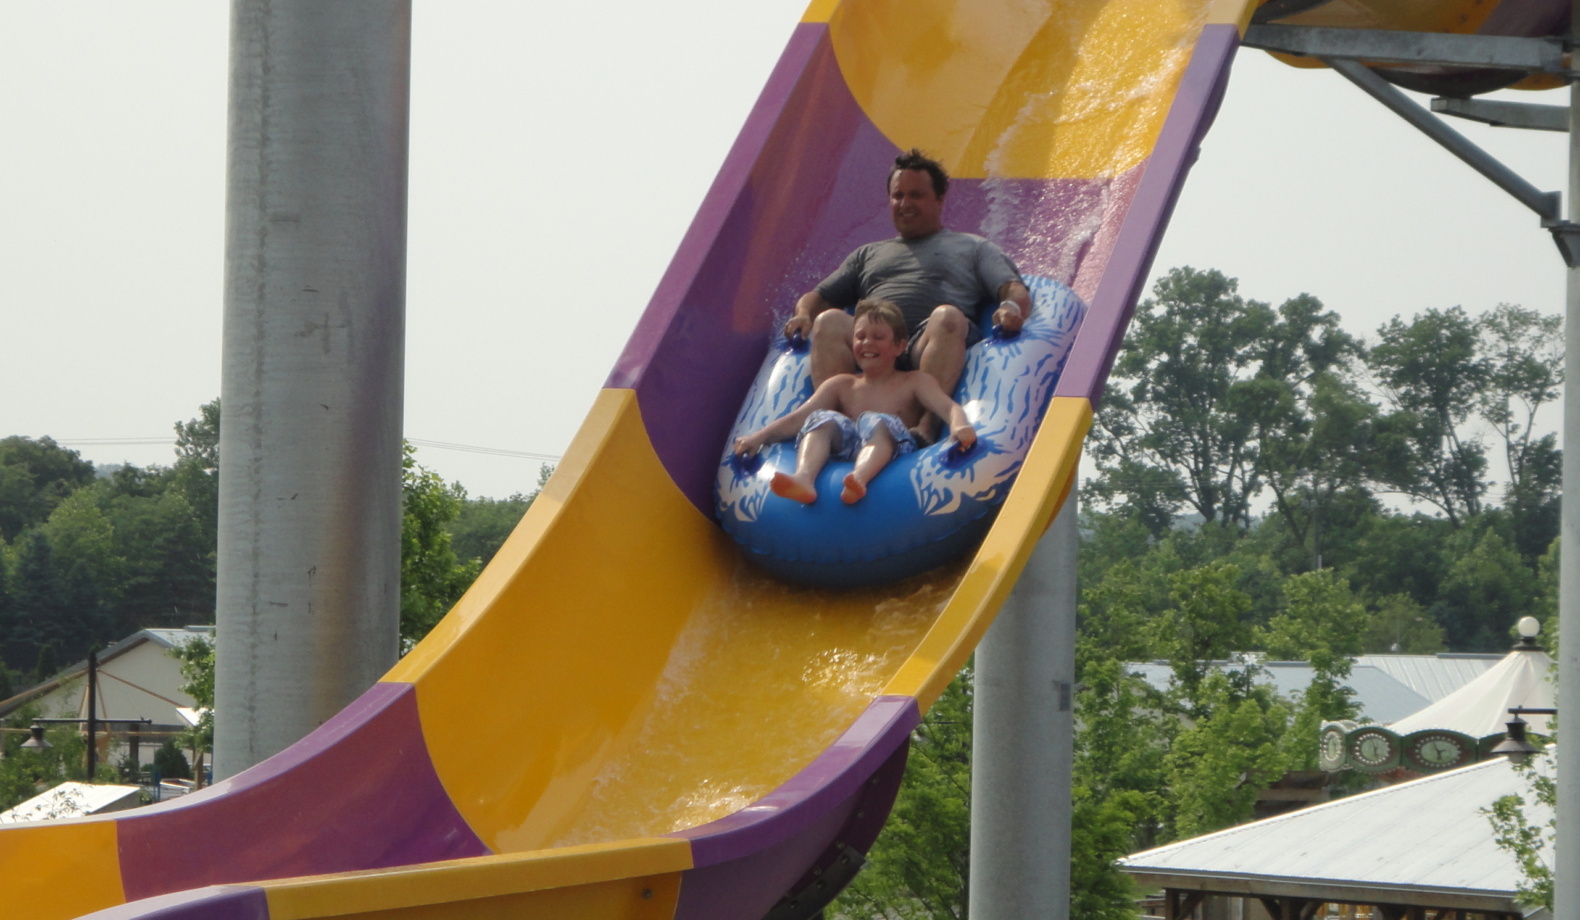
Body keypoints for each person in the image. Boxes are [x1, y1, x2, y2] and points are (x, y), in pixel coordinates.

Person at [781, 148, 1032, 441]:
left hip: (924, 344)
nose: (905, 204)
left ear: (939, 199)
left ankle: (927, 424)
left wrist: (1011, 307)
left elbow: (1013, 288)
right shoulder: (868, 253)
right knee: (829, 320)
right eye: (898, 195)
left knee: (948, 316)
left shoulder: (973, 248)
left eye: (916, 195)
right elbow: (819, 297)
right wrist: (802, 314)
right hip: (875, 346)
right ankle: (834, 425)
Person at [734, 299, 977, 505]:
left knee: (876, 421)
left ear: (900, 346)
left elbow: (949, 407)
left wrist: (959, 427)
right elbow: (799, 417)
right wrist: (759, 437)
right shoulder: (842, 384)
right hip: (848, 446)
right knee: (822, 419)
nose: (867, 343)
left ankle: (859, 477)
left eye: (878, 337)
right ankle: (804, 477)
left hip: (896, 455)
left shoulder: (914, 382)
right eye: (860, 337)